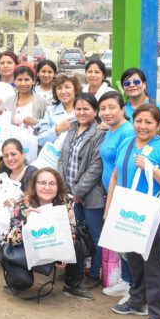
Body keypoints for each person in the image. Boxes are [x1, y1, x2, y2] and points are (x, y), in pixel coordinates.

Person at [107, 104, 160, 319]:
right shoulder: (127, 143)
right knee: (134, 260)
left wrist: (152, 169)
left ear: (158, 125)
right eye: (139, 121)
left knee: (154, 266)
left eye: (149, 122)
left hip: (151, 215)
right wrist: (109, 209)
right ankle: (137, 301)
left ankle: (158, 316)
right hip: (127, 213)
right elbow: (116, 175)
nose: (143, 126)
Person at [1, 167, 93, 299]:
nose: (47, 188)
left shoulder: (64, 203)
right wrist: (25, 223)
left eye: (52, 183)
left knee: (77, 244)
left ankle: (73, 285)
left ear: (58, 186)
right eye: (42, 183)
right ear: (34, 185)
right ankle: (13, 279)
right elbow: (8, 239)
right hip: (23, 251)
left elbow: (71, 232)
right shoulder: (22, 205)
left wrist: (63, 254)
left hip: (49, 245)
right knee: (23, 282)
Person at [57, 93, 106, 288]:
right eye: (78, 109)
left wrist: (78, 191)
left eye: (86, 109)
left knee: (94, 236)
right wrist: (64, 187)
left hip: (90, 195)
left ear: (95, 111)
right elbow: (62, 157)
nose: (82, 112)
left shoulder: (99, 133)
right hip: (70, 194)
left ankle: (94, 274)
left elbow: (96, 166)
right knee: (75, 234)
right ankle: (76, 271)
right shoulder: (72, 128)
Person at [98, 90, 136, 298]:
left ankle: (134, 287)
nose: (107, 112)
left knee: (128, 241)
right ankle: (127, 280)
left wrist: (112, 200)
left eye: (112, 107)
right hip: (111, 192)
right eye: (103, 108)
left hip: (123, 194)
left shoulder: (127, 131)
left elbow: (120, 168)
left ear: (123, 109)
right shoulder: (111, 130)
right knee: (120, 241)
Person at [0, 64, 48, 129]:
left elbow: (47, 124)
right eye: (19, 80)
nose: (23, 83)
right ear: (14, 81)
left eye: (26, 79)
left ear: (33, 81)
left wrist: (35, 122)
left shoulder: (41, 102)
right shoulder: (8, 101)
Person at [38, 74, 81, 146]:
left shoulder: (83, 109)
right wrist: (58, 129)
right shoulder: (49, 111)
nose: (63, 92)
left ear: (75, 89)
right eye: (59, 88)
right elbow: (41, 140)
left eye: (67, 87)